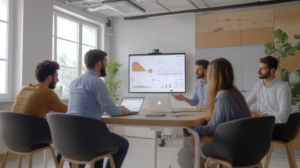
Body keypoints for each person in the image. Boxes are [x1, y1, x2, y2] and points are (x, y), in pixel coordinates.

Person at [56, 49, 130, 168]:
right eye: (105, 62)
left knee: (97, 148)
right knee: (123, 144)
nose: (106, 65)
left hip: (70, 137)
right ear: (99, 64)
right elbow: (111, 110)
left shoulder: (74, 82)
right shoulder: (96, 82)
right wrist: (123, 111)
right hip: (89, 138)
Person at [177, 58, 251, 168]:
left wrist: (196, 131)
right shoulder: (236, 93)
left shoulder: (222, 96)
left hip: (229, 149)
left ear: (214, 75)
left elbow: (215, 126)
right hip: (244, 147)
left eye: (209, 72)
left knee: (187, 144)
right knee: (199, 138)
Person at [246, 56, 292, 139]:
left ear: (272, 70)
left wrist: (261, 116)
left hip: (278, 126)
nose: (258, 71)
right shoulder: (259, 85)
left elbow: (283, 118)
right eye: (259, 68)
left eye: (262, 69)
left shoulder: (283, 87)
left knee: (246, 130)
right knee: (239, 126)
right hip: (264, 123)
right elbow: (245, 104)